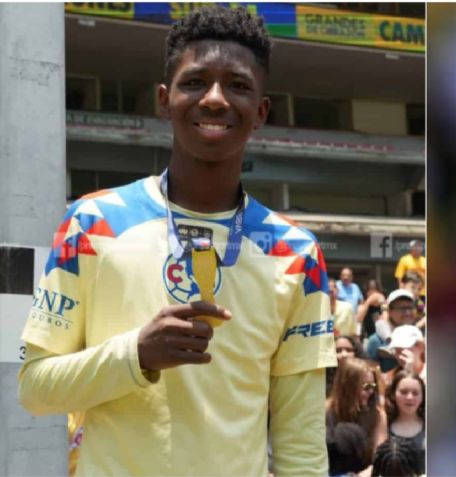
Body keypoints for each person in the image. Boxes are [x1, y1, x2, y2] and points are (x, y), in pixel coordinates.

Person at [17, 6, 334, 476]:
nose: (214, 99)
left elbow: (300, 438)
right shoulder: (93, 222)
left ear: (261, 112)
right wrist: (136, 355)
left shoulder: (296, 253)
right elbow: (35, 388)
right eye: (195, 82)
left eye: (239, 86)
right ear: (164, 100)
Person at [326, 358, 388, 474]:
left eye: (373, 387)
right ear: (348, 385)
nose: (370, 392)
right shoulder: (325, 411)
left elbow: (379, 459)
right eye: (366, 387)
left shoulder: (377, 415)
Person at [366, 289, 418, 372]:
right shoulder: (377, 341)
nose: (408, 313)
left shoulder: (420, 338)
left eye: (411, 308)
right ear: (389, 311)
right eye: (402, 309)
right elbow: (371, 374)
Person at [385, 371, 426, 475]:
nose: (409, 397)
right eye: (403, 392)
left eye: (415, 393)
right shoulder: (384, 425)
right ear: (393, 395)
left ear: (423, 397)